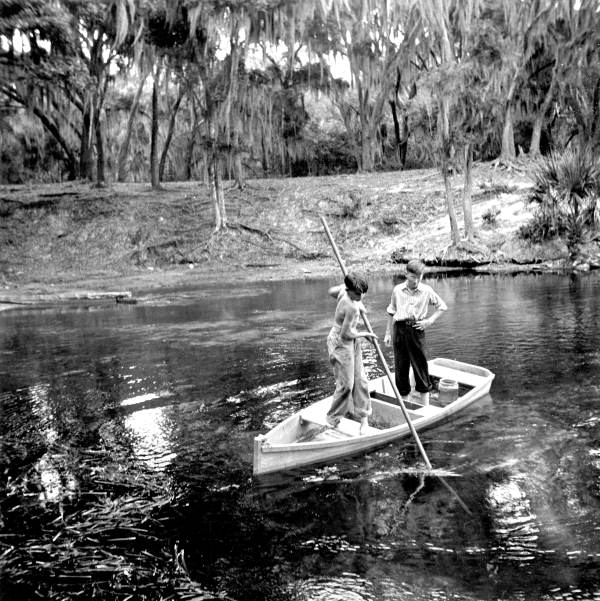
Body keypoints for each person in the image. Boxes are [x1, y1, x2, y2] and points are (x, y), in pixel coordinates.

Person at [383, 259, 447, 405]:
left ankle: (425, 406)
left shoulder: (426, 290)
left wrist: (429, 321)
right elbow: (391, 312)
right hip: (399, 330)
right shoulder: (397, 290)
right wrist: (387, 333)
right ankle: (405, 404)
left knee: (420, 366)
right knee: (401, 366)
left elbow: (442, 307)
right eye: (413, 277)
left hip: (416, 330)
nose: (416, 281)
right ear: (406, 274)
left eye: (420, 277)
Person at [326, 272, 377, 434]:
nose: (361, 296)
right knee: (347, 385)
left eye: (362, 293)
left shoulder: (344, 290)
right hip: (340, 342)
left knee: (360, 379)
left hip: (351, 341)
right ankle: (333, 419)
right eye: (358, 293)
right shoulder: (352, 307)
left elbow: (331, 291)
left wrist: (351, 295)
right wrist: (367, 335)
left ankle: (364, 419)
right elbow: (345, 334)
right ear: (349, 290)